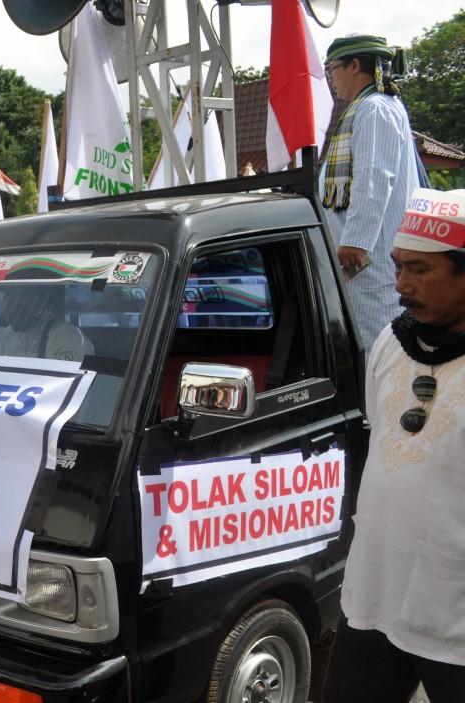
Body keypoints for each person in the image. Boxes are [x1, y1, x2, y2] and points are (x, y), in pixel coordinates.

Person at [322, 189, 465, 702]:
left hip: (455, 619)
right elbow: (381, 439)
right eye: (398, 266)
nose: (401, 284)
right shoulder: (390, 340)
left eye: (421, 270)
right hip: (374, 597)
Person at [319, 35, 420, 354]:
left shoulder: (376, 107)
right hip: (361, 259)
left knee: (380, 340)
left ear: (354, 66)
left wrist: (355, 242)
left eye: (332, 69)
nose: (330, 79)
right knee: (366, 337)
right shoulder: (362, 108)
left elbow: (374, 178)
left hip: (369, 257)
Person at [0, 283, 93, 362]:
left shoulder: (66, 337)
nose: (13, 305)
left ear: (41, 299)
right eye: (7, 297)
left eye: (22, 296)